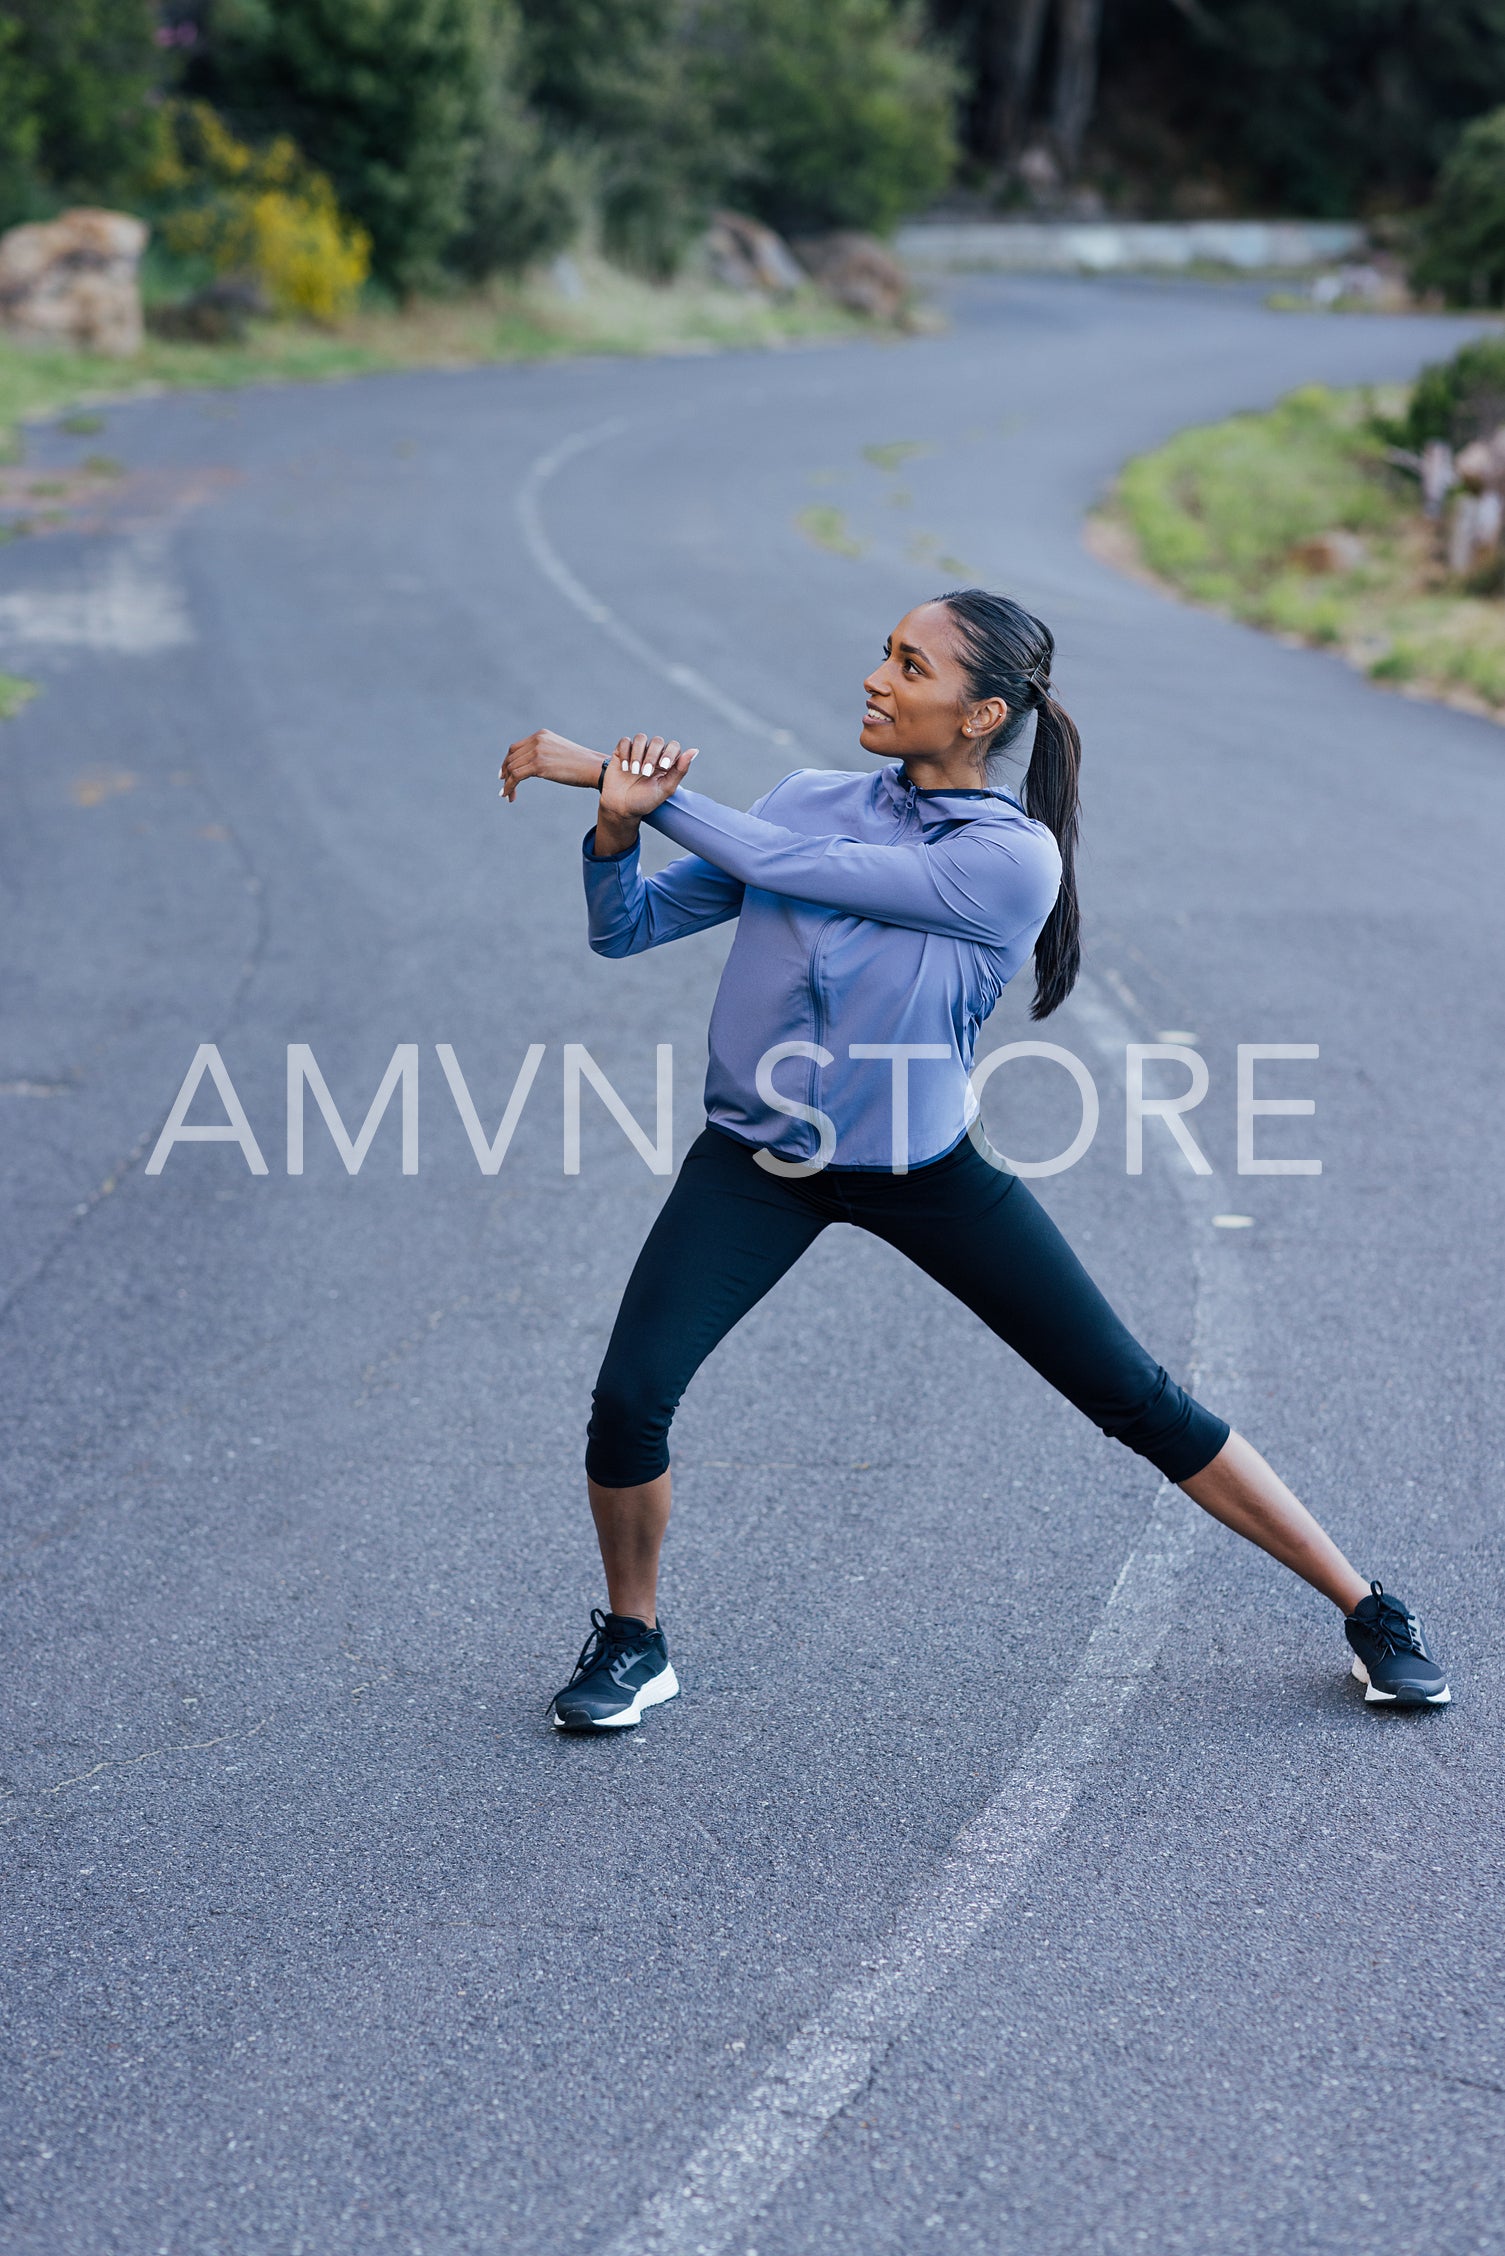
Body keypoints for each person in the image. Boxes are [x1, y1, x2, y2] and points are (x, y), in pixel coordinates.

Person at [500, 590, 1450, 1728]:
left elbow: (797, 871)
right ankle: (633, 1638)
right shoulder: (809, 801)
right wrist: (612, 827)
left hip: (923, 1172)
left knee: (1134, 1396)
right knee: (629, 1399)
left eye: (910, 665)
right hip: (754, 1163)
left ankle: (1365, 1606)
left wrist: (606, 767)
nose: (876, 677)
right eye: (883, 653)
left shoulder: (1008, 858)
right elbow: (627, 929)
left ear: (979, 713)